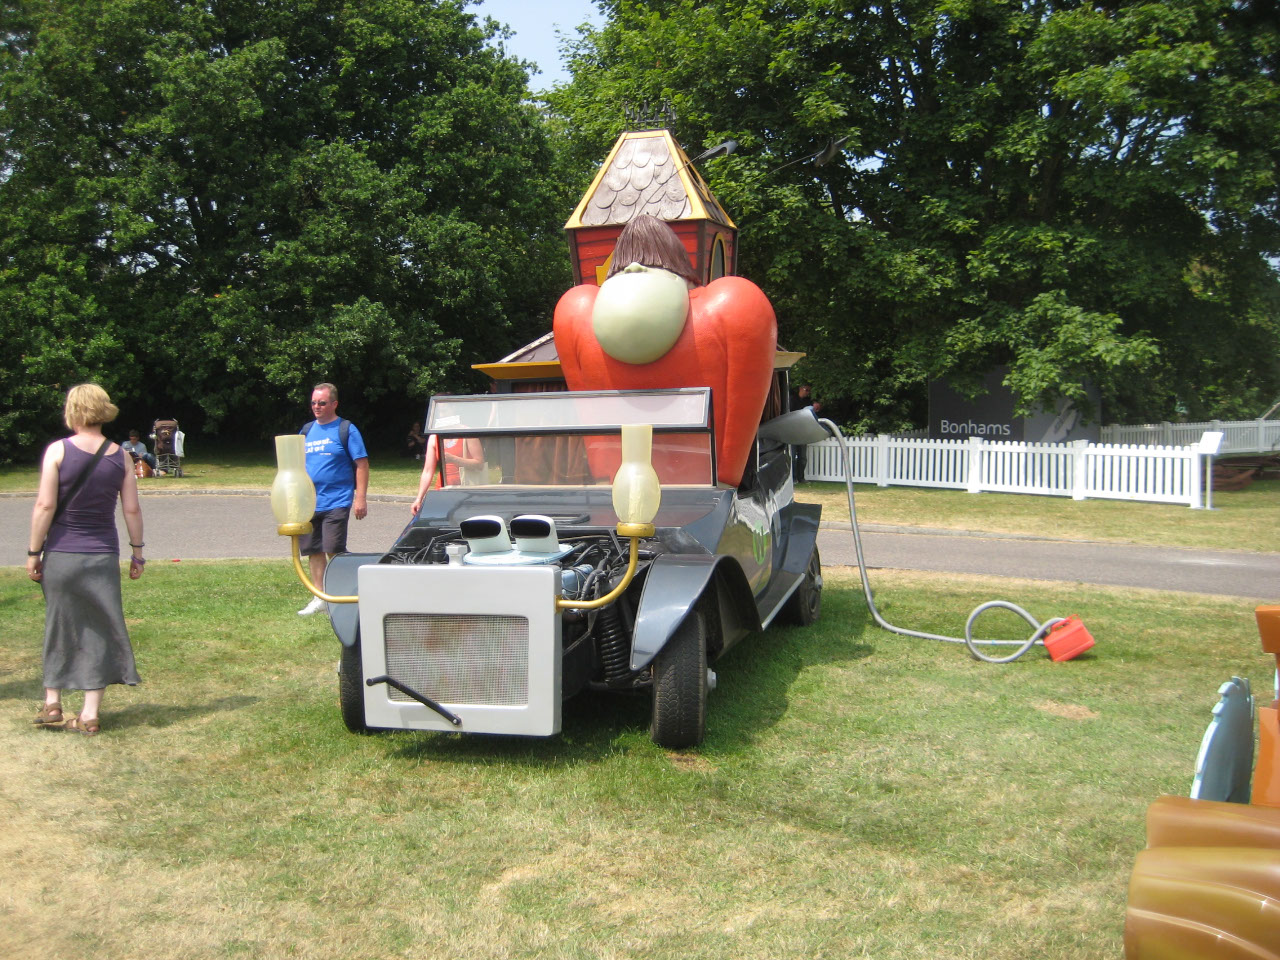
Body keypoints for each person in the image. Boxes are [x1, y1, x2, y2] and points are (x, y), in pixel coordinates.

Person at [27, 383, 145, 736]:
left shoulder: (57, 451)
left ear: (73, 411)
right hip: (101, 555)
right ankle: (90, 713)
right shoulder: (120, 455)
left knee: (58, 623)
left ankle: (52, 702)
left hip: (62, 553)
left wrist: (34, 552)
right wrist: (138, 552)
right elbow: (131, 509)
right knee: (98, 627)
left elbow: (45, 506)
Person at [298, 382, 369, 616]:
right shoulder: (307, 431)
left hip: (337, 500)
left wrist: (360, 498)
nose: (316, 407)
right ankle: (319, 598)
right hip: (309, 502)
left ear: (334, 404)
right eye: (313, 402)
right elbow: (296, 465)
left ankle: (340, 595)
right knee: (313, 550)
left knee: (333, 549)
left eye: (322, 403)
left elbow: (361, 464)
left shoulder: (346, 429)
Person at [410, 433, 485, 515]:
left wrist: (454, 459)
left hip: (465, 491)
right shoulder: (434, 437)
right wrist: (419, 499)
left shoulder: (466, 434)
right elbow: (428, 471)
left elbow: (479, 464)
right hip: (442, 490)